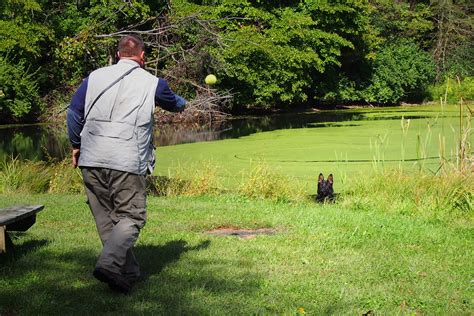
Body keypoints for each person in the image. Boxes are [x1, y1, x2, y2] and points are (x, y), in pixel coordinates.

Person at [67, 34, 186, 294]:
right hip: (126, 159)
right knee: (132, 216)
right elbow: (175, 105)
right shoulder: (153, 83)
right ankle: (109, 265)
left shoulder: (94, 77)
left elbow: (74, 113)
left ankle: (127, 273)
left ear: (118, 54)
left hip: (91, 158)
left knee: (107, 218)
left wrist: (76, 145)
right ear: (142, 56)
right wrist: (184, 102)